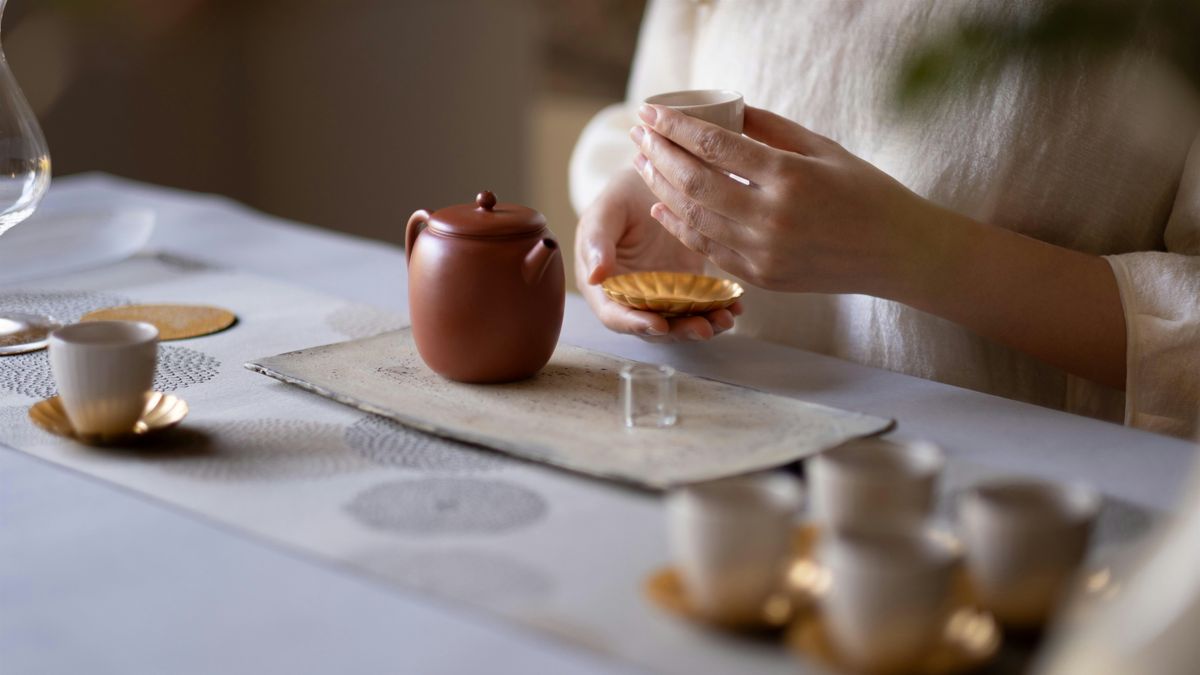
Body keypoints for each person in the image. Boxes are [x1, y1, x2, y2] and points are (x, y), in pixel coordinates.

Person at [569, 0, 1200, 438]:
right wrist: (659, 192)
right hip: (726, 458)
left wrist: (911, 252)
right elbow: (665, 95)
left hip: (1023, 512)